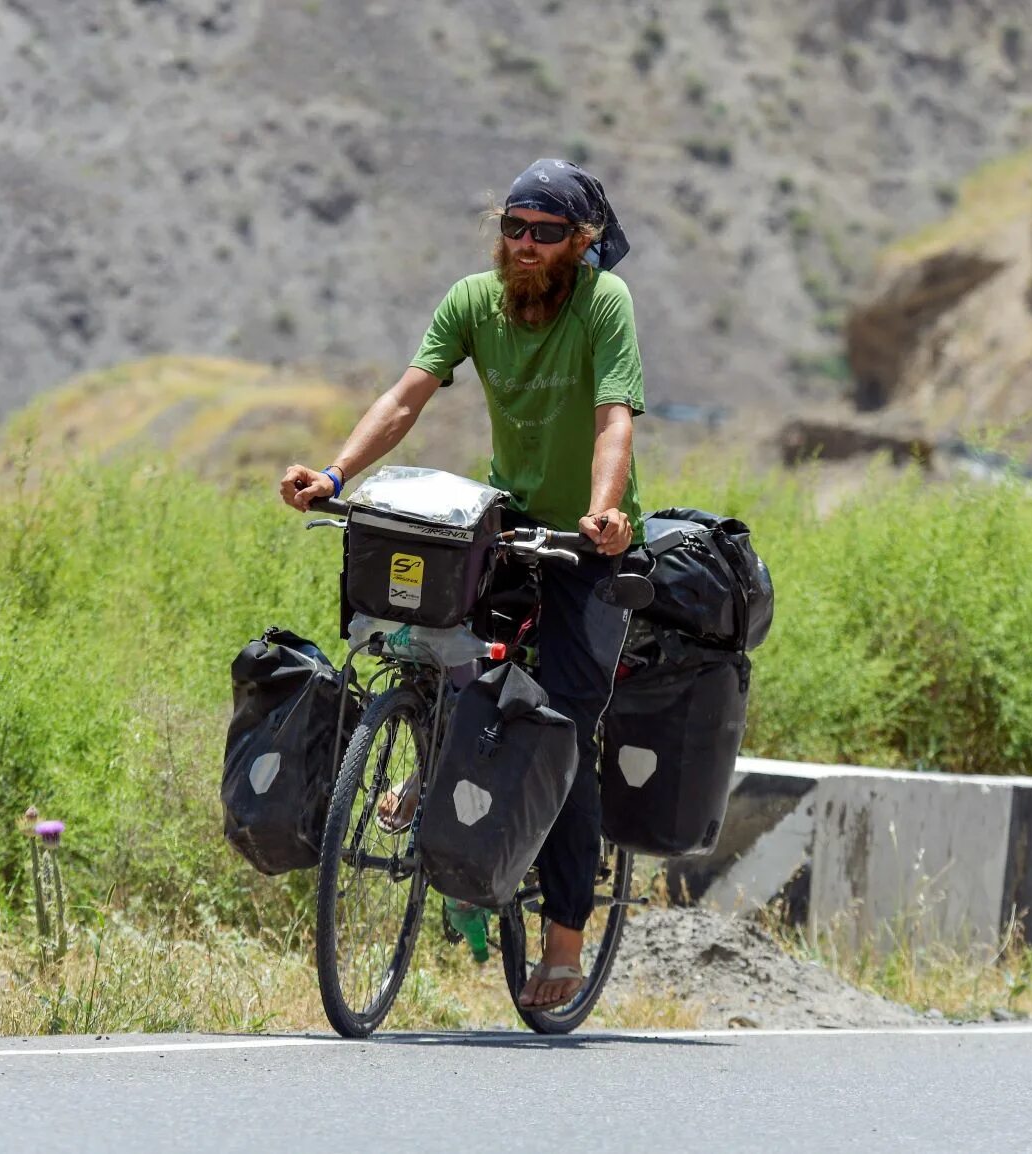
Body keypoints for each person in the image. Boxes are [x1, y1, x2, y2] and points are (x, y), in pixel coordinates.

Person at [278, 158, 644, 1011]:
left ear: (581, 244)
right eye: (513, 228)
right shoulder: (473, 302)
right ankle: (437, 751)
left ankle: (564, 936)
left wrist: (604, 514)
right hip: (508, 525)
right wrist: (334, 477)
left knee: (564, 732)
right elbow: (407, 398)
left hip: (587, 544)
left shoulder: (604, 306)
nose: (524, 246)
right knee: (446, 650)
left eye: (545, 233)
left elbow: (613, 418)